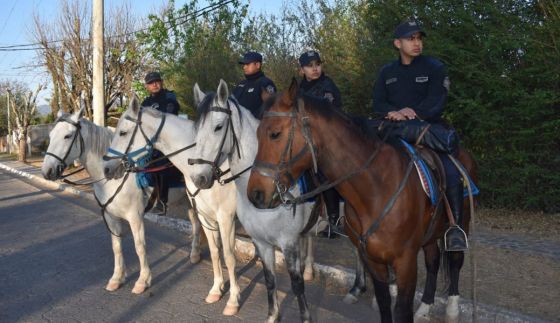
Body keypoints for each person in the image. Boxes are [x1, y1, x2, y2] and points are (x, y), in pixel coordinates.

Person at [371, 20, 468, 251]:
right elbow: (378, 102)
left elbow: (438, 101)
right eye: (410, 38)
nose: (417, 43)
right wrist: (391, 112)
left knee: (451, 169)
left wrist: (413, 112)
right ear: (397, 43)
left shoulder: (435, 68)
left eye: (419, 38)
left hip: (427, 129)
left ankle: (455, 227)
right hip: (393, 130)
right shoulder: (387, 72)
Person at [298, 50, 343, 239]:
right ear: (302, 70)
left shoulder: (327, 86)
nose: (315, 68)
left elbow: (328, 114)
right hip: (306, 139)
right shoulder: (299, 89)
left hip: (328, 138)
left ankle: (334, 221)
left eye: (317, 64)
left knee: (326, 177)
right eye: (310, 65)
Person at [142, 71, 181, 215]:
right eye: (151, 83)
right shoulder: (146, 103)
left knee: (162, 168)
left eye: (157, 81)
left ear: (161, 82)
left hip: (167, 140)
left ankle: (162, 202)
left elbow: (170, 113)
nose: (155, 84)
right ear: (147, 86)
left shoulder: (169, 96)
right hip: (151, 142)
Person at [233, 51, 276, 119]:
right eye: (244, 65)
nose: (244, 67)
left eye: (247, 64)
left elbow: (272, 109)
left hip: (256, 127)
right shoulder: (241, 84)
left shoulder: (265, 83)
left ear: (257, 65)